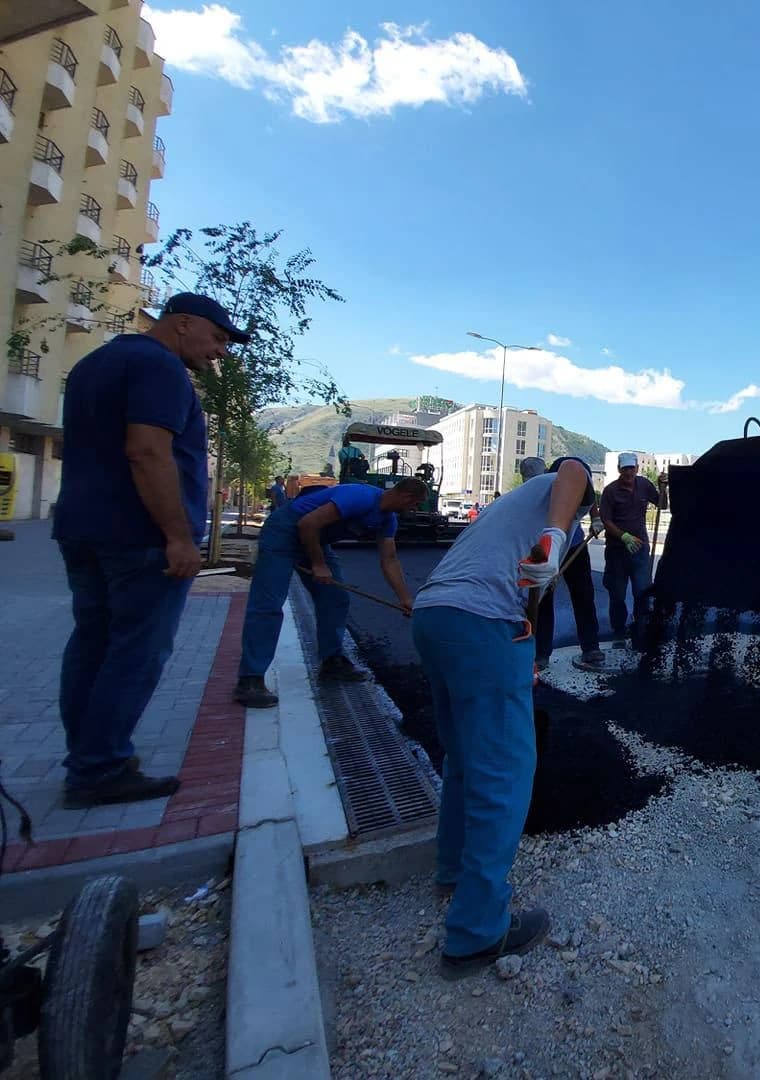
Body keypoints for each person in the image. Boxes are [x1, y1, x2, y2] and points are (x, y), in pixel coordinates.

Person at [51, 292, 249, 807]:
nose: (221, 351)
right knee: (138, 650)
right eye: (219, 338)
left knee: (92, 643)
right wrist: (179, 536)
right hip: (140, 538)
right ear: (183, 324)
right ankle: (100, 769)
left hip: (83, 527)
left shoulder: (97, 362)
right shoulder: (158, 367)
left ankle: (90, 755)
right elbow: (146, 450)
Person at [411, 458, 594, 977]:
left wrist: (524, 649)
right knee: (504, 775)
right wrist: (560, 533)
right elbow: (576, 468)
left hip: (437, 617)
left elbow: (533, 590)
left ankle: (451, 870)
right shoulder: (555, 493)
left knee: (465, 759)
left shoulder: (509, 514)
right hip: (480, 621)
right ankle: (476, 933)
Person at [233, 477, 427, 708]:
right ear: (406, 497)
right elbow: (307, 524)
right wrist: (318, 564)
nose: (413, 510)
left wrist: (405, 598)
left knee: (335, 599)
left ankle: (332, 662)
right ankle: (250, 679)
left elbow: (390, 559)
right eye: (415, 505)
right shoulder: (361, 497)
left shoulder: (387, 520)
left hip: (315, 539)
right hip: (285, 532)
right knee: (269, 604)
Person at [517, 458, 604, 672]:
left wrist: (595, 518)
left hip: (573, 544)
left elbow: (588, 494)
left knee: (583, 595)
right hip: (544, 549)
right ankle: (540, 653)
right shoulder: (527, 494)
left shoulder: (561, 482)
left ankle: (591, 648)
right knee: (542, 599)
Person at [599, 452, 660, 648]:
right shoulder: (610, 491)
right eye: (625, 468)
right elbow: (606, 520)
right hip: (617, 550)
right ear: (619, 469)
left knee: (642, 591)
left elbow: (663, 504)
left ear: (637, 468)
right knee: (617, 594)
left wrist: (665, 487)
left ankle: (640, 629)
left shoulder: (644, 485)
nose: (628, 472)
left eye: (631, 468)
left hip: (640, 549)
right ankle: (618, 631)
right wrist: (623, 536)